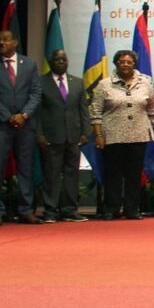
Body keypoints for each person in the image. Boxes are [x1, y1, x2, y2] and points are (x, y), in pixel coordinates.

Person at [0, 29, 42, 225]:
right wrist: (8, 117)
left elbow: (36, 93)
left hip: (26, 124)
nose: (1, 42)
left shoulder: (29, 64)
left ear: (15, 42)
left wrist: (23, 115)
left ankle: (25, 209)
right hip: (0, 124)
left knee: (25, 168)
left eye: (5, 39)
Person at [92, 50, 154, 220]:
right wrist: (98, 134)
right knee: (113, 173)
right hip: (113, 135)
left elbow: (151, 108)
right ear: (116, 64)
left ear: (134, 64)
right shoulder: (105, 84)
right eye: (122, 62)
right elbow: (96, 111)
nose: (126, 64)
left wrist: (147, 125)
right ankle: (111, 208)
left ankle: (132, 209)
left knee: (134, 174)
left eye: (129, 62)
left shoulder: (145, 83)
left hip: (138, 134)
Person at [35, 49, 90, 223]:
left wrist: (85, 132)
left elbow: (83, 110)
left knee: (71, 175)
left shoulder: (77, 82)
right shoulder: (40, 82)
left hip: (73, 136)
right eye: (57, 59)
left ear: (67, 62)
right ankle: (50, 210)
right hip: (51, 136)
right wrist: (40, 134)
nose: (60, 62)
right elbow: (36, 112)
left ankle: (69, 210)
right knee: (51, 175)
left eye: (63, 59)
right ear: (50, 62)